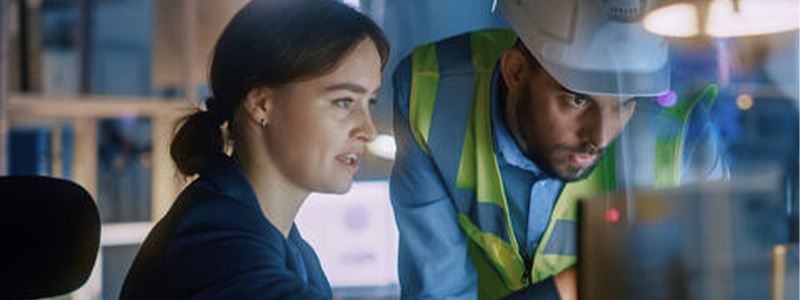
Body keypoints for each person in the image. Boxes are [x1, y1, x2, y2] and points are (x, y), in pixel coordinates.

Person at [389, 0, 727, 299]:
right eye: (577, 99)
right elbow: (437, 292)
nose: (601, 136)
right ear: (516, 71)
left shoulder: (681, 131)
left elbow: (723, 280)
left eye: (626, 104)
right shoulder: (430, 94)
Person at [120, 0, 389, 298]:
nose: (368, 130)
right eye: (344, 102)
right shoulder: (217, 242)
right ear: (262, 105)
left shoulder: (291, 249)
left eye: (370, 102)